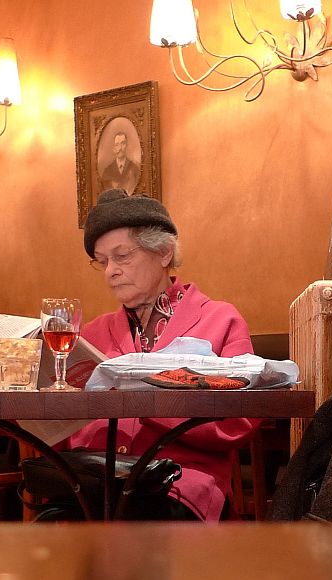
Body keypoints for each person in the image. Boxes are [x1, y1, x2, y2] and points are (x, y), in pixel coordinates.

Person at [68, 188, 257, 521]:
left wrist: (146, 398)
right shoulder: (91, 334)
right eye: (103, 261)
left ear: (165, 252)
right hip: (95, 483)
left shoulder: (220, 319)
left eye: (122, 256)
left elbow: (239, 421)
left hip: (178, 485)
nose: (110, 271)